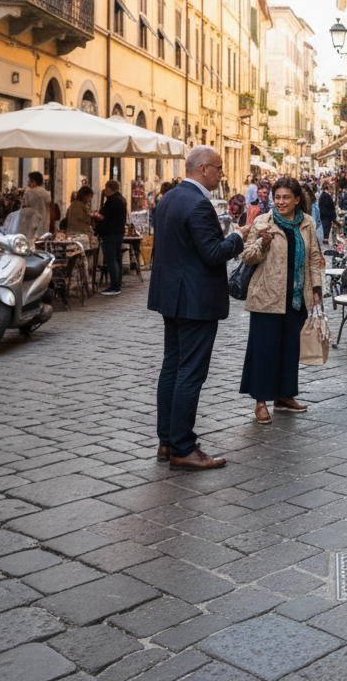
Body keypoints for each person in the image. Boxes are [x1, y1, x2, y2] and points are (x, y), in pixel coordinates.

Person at [148, 146, 249, 470]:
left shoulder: (169, 199)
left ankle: (168, 439)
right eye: (219, 168)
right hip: (195, 300)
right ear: (203, 169)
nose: (222, 174)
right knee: (190, 372)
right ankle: (182, 446)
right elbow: (213, 252)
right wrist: (238, 236)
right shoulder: (198, 204)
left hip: (171, 297)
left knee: (172, 367)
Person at [238, 176, 323, 424]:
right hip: (267, 296)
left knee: (289, 349)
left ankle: (284, 396)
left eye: (286, 197)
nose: (281, 202)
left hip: (297, 297)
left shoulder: (307, 222)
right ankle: (261, 401)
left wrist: (316, 293)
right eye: (277, 197)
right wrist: (263, 242)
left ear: (297, 200)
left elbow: (314, 258)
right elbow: (247, 257)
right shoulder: (263, 221)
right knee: (264, 350)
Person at [94, 180, 128, 296]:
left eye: (106, 189)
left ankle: (114, 286)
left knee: (111, 259)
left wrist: (95, 216)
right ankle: (117, 283)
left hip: (110, 233)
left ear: (109, 189)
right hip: (119, 232)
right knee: (117, 258)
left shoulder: (112, 201)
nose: (105, 191)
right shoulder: (122, 200)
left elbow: (104, 217)